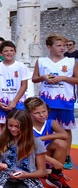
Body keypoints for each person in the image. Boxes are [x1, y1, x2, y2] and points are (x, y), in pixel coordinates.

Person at [0, 110, 51, 188]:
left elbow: (42, 172)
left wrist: (25, 175)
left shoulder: (35, 143)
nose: (13, 129)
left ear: (25, 126)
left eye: (17, 127)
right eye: (10, 125)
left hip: (28, 179)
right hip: (5, 177)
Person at [32, 34, 77, 172]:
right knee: (46, 127)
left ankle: (67, 155)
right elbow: (34, 79)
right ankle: (44, 155)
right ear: (49, 47)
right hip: (47, 102)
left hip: (65, 100)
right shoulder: (41, 61)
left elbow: (77, 79)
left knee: (66, 128)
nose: (62, 48)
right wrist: (43, 77)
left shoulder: (71, 61)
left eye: (64, 45)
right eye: (59, 45)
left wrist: (62, 78)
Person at [25, 97, 73, 188]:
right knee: (32, 149)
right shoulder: (26, 126)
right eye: (37, 113)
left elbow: (65, 135)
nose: (42, 115)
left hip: (44, 157)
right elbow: (30, 150)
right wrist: (54, 161)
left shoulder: (51, 122)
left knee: (61, 143)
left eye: (44, 111)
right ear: (29, 114)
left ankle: (55, 175)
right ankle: (45, 171)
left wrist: (42, 138)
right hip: (30, 158)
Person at [0, 41, 28, 119]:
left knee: (18, 124)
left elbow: (24, 85)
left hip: (18, 102)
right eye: (6, 51)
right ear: (1, 53)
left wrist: (14, 101)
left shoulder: (21, 66)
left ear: (15, 52)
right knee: (2, 124)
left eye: (11, 50)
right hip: (2, 103)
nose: (9, 53)